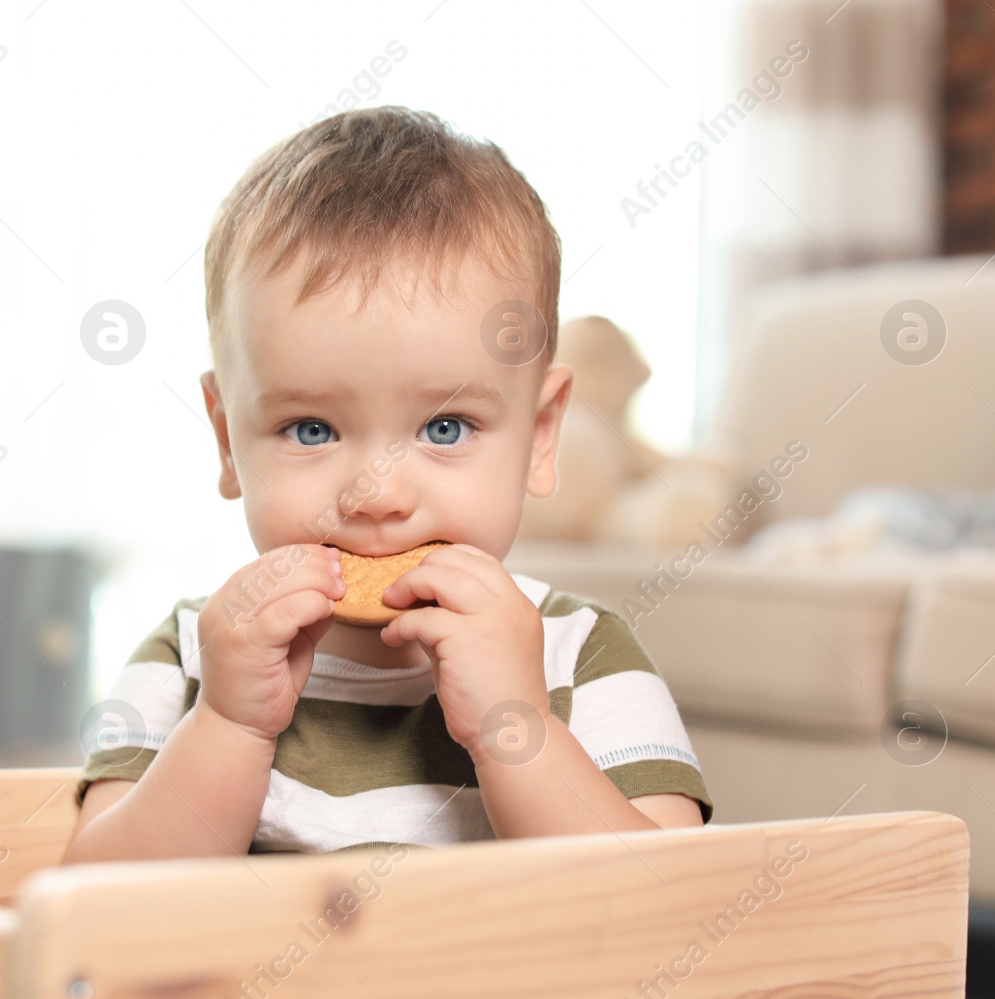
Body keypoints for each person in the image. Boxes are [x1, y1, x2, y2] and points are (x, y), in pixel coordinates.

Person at [62, 106, 710, 863]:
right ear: (227, 440)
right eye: (311, 429)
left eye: (445, 429)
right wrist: (229, 725)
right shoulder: (188, 659)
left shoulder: (582, 654)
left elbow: (667, 902)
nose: (375, 496)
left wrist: (515, 723)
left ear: (539, 435)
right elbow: (93, 912)